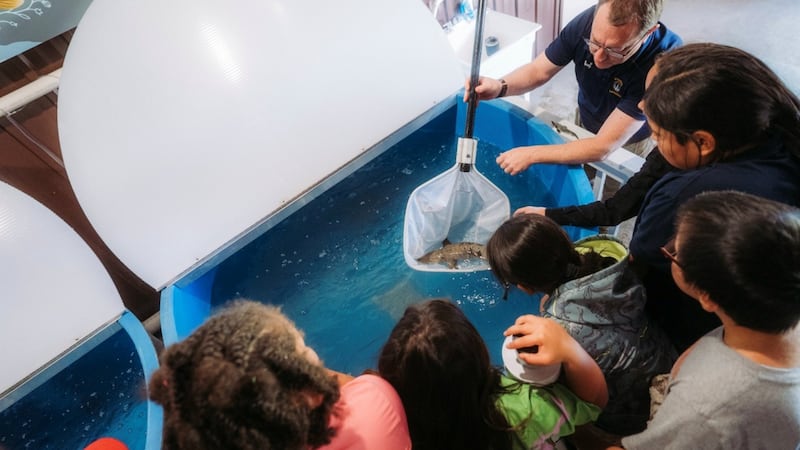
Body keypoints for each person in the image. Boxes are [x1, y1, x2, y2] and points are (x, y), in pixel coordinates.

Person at [625, 43, 800, 351]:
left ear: (703, 142)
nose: (640, 106)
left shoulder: (687, 195)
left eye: (657, 134)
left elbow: (644, 250)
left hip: (691, 328)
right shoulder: (778, 132)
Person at [614, 191, 800, 449]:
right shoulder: (782, 301)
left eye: (673, 253)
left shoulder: (705, 408)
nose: (670, 250)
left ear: (707, 297)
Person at [485, 213, 675, 437]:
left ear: (524, 287)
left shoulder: (560, 332)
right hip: (671, 370)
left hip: (632, 417)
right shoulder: (611, 266)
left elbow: (580, 399)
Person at [148, 299, 411, 450]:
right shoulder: (374, 405)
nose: (313, 356)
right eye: (302, 348)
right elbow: (356, 390)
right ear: (310, 396)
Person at [469, 0, 681, 173]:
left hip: (627, 139)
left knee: (609, 193)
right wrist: (499, 86)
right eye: (595, 42)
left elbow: (603, 146)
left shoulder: (661, 64)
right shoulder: (587, 22)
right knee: (580, 170)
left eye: (616, 51)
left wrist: (532, 154)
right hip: (586, 115)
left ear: (649, 32)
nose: (598, 57)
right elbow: (538, 70)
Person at [378, 299, 607, 450]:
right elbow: (594, 403)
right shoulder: (524, 410)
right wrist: (569, 348)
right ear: (481, 351)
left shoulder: (392, 435)